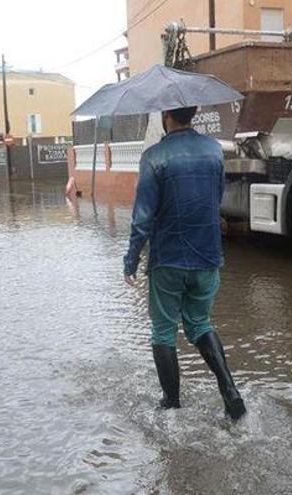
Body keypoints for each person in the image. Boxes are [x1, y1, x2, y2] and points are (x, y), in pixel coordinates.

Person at [123, 106, 246, 420]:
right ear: (193, 114)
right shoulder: (214, 150)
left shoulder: (154, 156)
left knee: (163, 331)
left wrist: (131, 260)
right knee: (200, 323)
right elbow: (214, 198)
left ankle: (171, 404)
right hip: (207, 256)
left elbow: (142, 219)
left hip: (168, 260)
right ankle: (229, 390)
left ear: (167, 116)